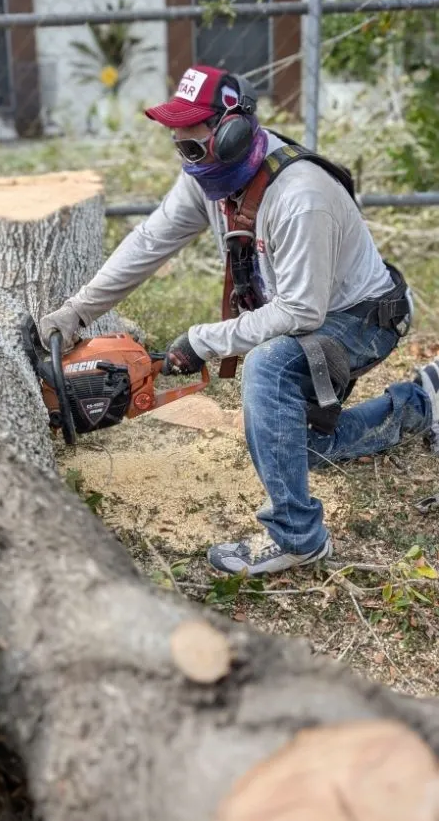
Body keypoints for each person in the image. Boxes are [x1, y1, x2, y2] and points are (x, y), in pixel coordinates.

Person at [40, 64, 439, 576]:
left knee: (269, 365)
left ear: (231, 134)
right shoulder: (207, 183)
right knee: (306, 448)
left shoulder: (300, 197)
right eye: (175, 142)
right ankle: (423, 401)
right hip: (314, 313)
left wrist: (206, 340)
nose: (183, 155)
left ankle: (298, 537)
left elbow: (300, 311)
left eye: (191, 143)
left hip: (362, 318)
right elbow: (149, 242)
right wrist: (76, 312)